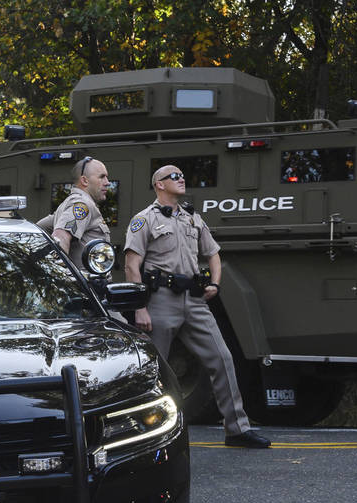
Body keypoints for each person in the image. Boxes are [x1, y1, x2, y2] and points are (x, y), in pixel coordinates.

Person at [124, 164, 271, 448]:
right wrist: (139, 307)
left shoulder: (193, 218)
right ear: (159, 184)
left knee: (223, 359)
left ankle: (237, 429)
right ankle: (142, 434)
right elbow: (132, 264)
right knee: (153, 369)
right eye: (174, 176)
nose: (181, 179)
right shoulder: (144, 219)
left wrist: (215, 283)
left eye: (182, 175)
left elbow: (213, 254)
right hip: (160, 300)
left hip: (194, 301)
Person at [40, 156, 112, 267]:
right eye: (102, 177)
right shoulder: (82, 204)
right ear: (84, 180)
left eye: (106, 177)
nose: (107, 182)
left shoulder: (69, 204)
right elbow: (60, 237)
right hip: (88, 283)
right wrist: (61, 275)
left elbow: (38, 229)